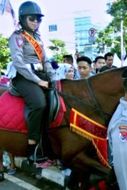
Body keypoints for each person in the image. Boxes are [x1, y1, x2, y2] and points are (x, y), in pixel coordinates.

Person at [8, 1, 56, 161]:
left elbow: (45, 60)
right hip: (24, 77)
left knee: (59, 101)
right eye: (32, 18)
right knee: (39, 103)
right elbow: (19, 63)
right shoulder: (17, 37)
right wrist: (38, 81)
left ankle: (51, 142)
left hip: (41, 75)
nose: (36, 22)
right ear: (22, 19)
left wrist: (53, 76)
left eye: (38, 19)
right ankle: (32, 146)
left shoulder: (38, 38)